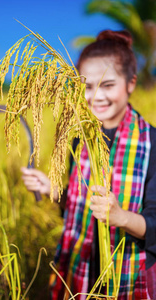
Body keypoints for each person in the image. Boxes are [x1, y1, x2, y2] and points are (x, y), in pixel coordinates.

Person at [21, 29, 156, 299]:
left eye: (108, 85)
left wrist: (121, 217)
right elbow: (75, 205)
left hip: (130, 273)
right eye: (87, 86)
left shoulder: (151, 143)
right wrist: (52, 190)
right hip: (81, 269)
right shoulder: (78, 140)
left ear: (130, 83)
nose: (96, 97)